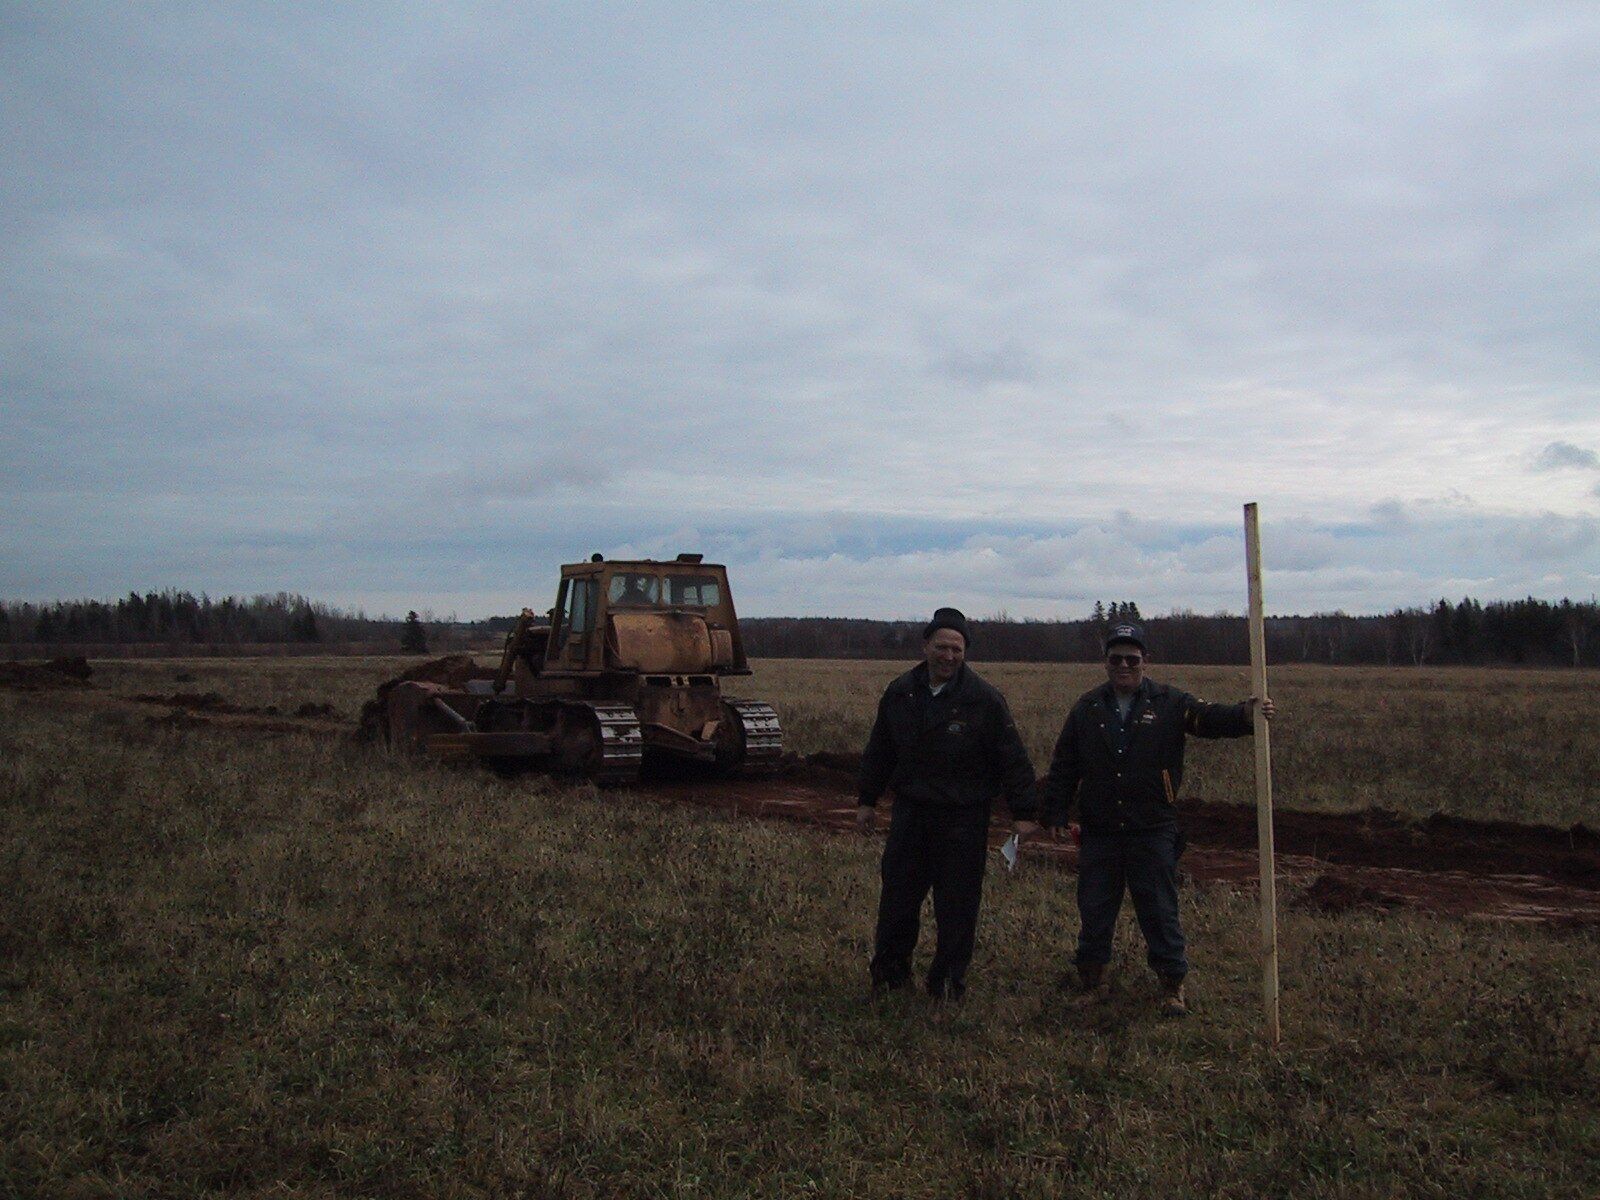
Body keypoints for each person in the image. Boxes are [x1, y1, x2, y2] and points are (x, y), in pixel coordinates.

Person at [1042, 622, 1274, 1017]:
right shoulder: (1087, 708)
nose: (1124, 666)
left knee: (1159, 910)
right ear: (1106, 662)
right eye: (1116, 659)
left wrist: (1247, 715)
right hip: (1100, 830)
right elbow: (1065, 763)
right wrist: (1053, 810)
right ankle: (1092, 979)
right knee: (1095, 908)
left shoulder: (1170, 702)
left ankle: (1172, 985)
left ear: (1146, 661)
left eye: (1132, 659)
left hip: (1152, 829)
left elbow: (1208, 719)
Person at [857, 607, 1040, 1001]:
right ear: (926, 646)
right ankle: (890, 977)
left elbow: (1013, 757)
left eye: (957, 649)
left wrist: (1025, 812)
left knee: (957, 908)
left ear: (965, 653)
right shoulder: (900, 692)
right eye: (942, 647)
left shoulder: (984, 700)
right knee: (897, 901)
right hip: (911, 815)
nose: (949, 656)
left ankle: (946, 983)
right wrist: (866, 800)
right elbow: (880, 750)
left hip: (963, 820)